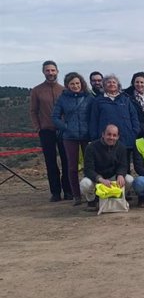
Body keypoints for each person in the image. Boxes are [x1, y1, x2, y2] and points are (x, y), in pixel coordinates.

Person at [30, 60, 71, 201]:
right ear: (43, 72)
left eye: (53, 70)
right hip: (46, 131)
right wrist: (38, 128)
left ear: (57, 71)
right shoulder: (36, 90)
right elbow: (33, 111)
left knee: (67, 161)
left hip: (63, 131)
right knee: (51, 162)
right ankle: (55, 192)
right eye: (47, 70)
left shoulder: (64, 90)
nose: (50, 73)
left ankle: (68, 191)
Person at [51, 72, 94, 206]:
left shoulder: (89, 97)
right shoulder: (63, 98)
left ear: (81, 83)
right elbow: (55, 117)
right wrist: (65, 127)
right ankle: (76, 195)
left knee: (89, 165)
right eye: (72, 84)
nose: (75, 86)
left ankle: (90, 193)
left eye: (77, 83)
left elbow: (94, 115)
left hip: (87, 136)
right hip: (70, 137)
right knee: (72, 167)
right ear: (67, 85)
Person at [89, 73, 140, 166]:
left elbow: (134, 117)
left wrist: (134, 132)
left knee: (125, 167)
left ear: (118, 85)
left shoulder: (125, 100)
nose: (111, 84)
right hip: (106, 140)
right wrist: (94, 137)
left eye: (114, 82)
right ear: (104, 85)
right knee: (107, 166)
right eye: (108, 82)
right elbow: (94, 120)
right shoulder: (98, 101)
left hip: (125, 139)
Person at [80, 124, 134, 208]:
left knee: (129, 179)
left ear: (118, 137)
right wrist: (100, 179)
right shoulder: (91, 147)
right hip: (97, 178)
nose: (111, 137)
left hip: (113, 177)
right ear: (103, 134)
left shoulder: (122, 147)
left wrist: (120, 174)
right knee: (85, 184)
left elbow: (123, 165)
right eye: (109, 134)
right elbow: (88, 169)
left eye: (114, 135)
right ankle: (92, 200)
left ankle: (120, 196)